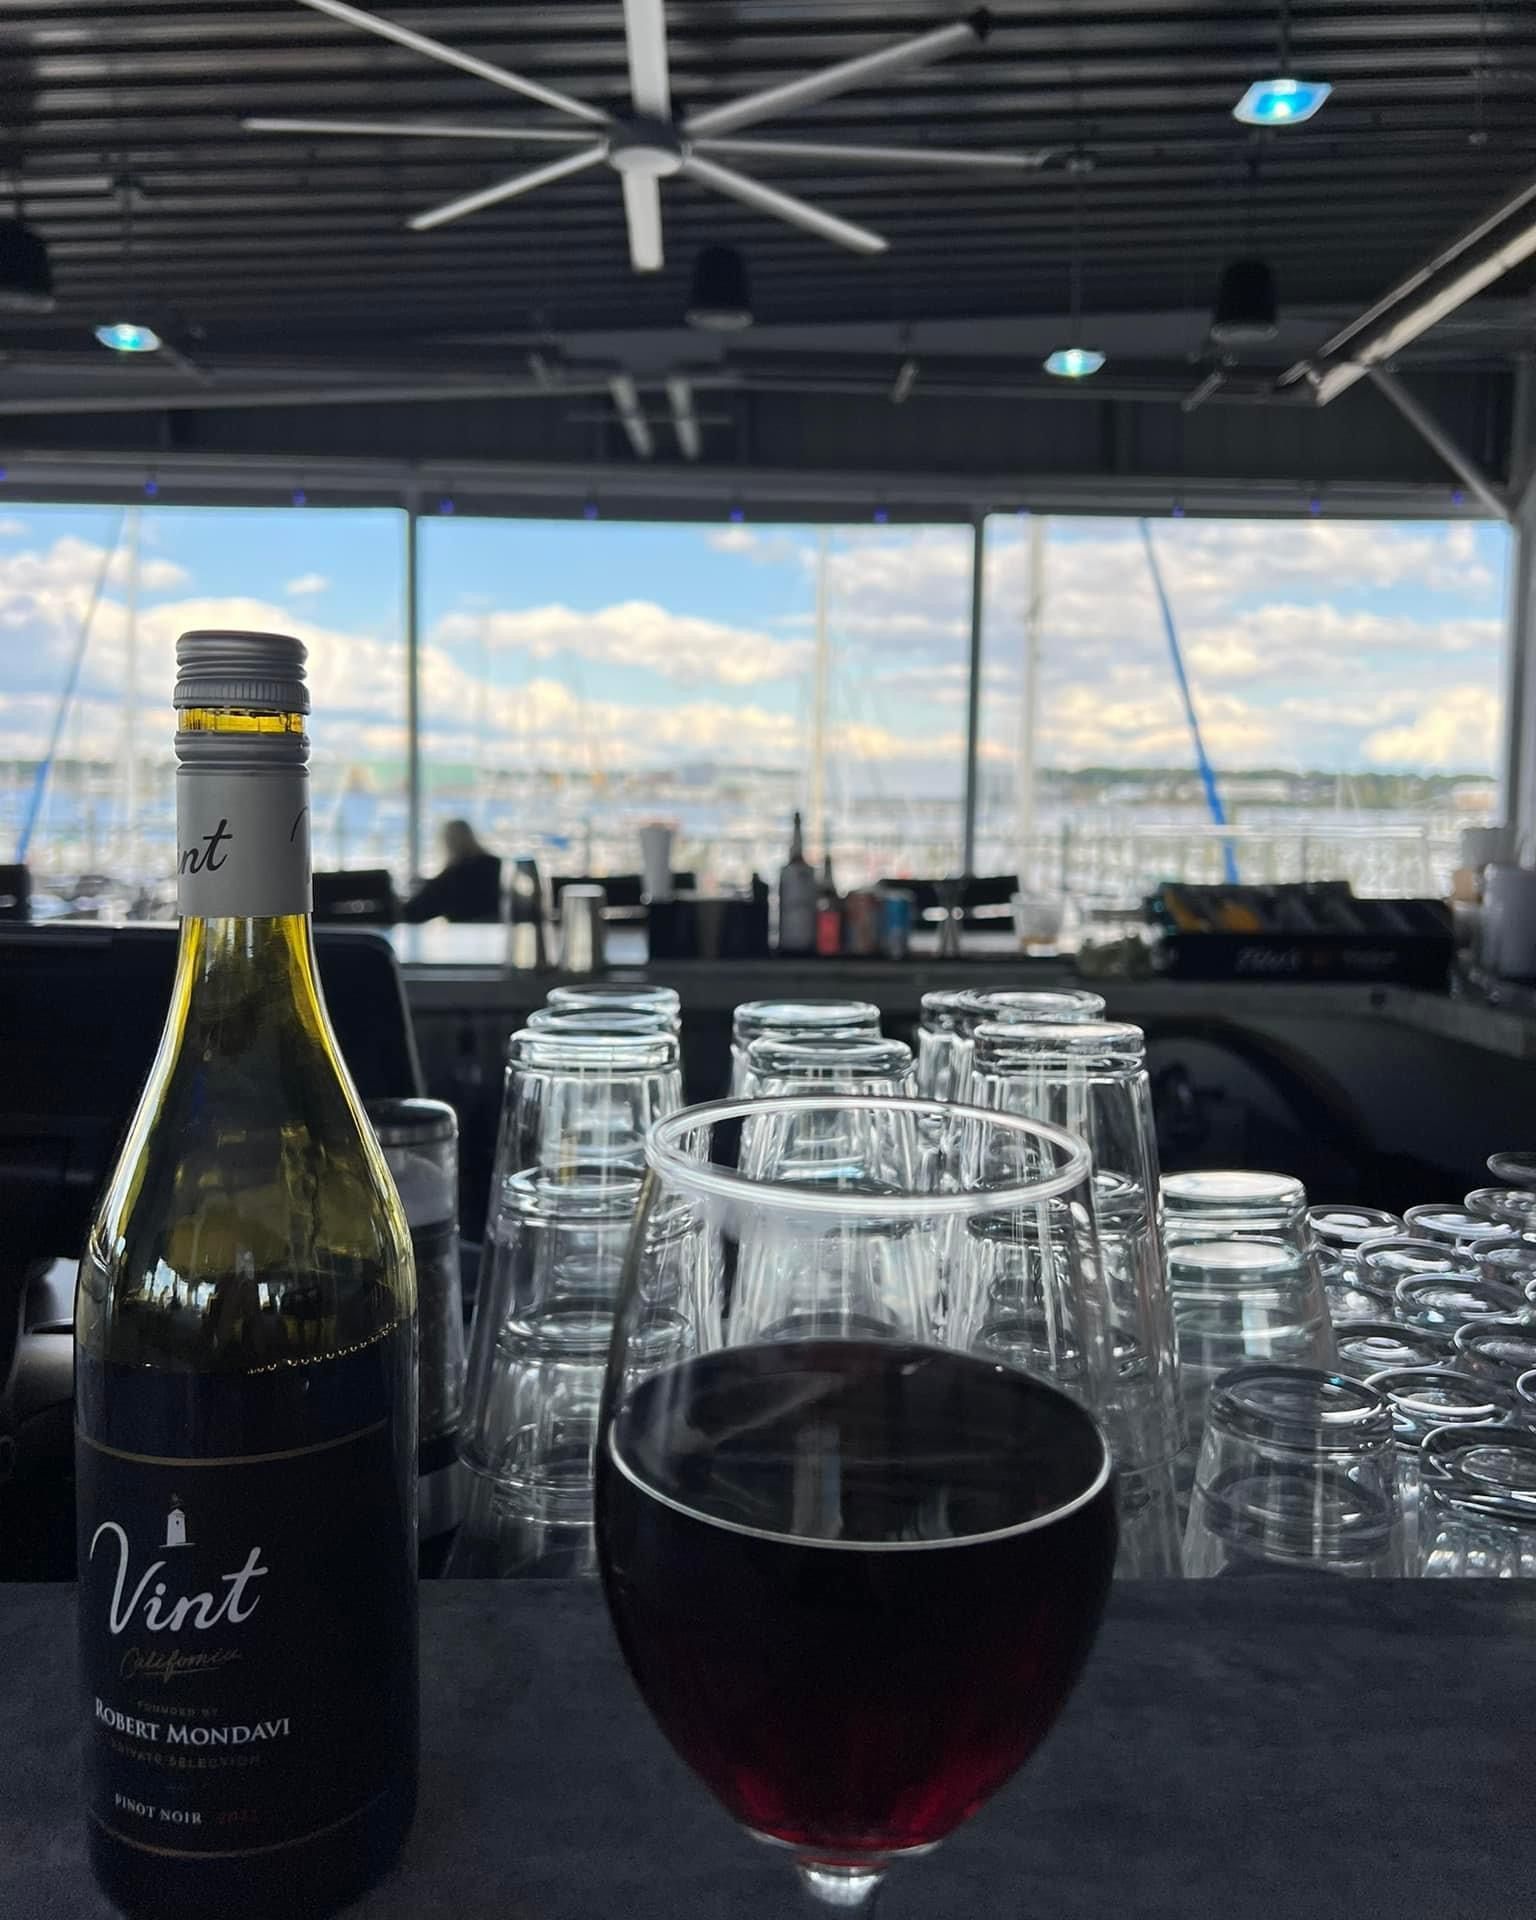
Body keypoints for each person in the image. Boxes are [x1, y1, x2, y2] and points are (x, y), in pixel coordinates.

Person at [400, 819, 502, 924]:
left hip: (463, 932)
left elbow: (411, 912)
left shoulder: (451, 877)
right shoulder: (495, 865)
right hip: (497, 931)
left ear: (447, 843)